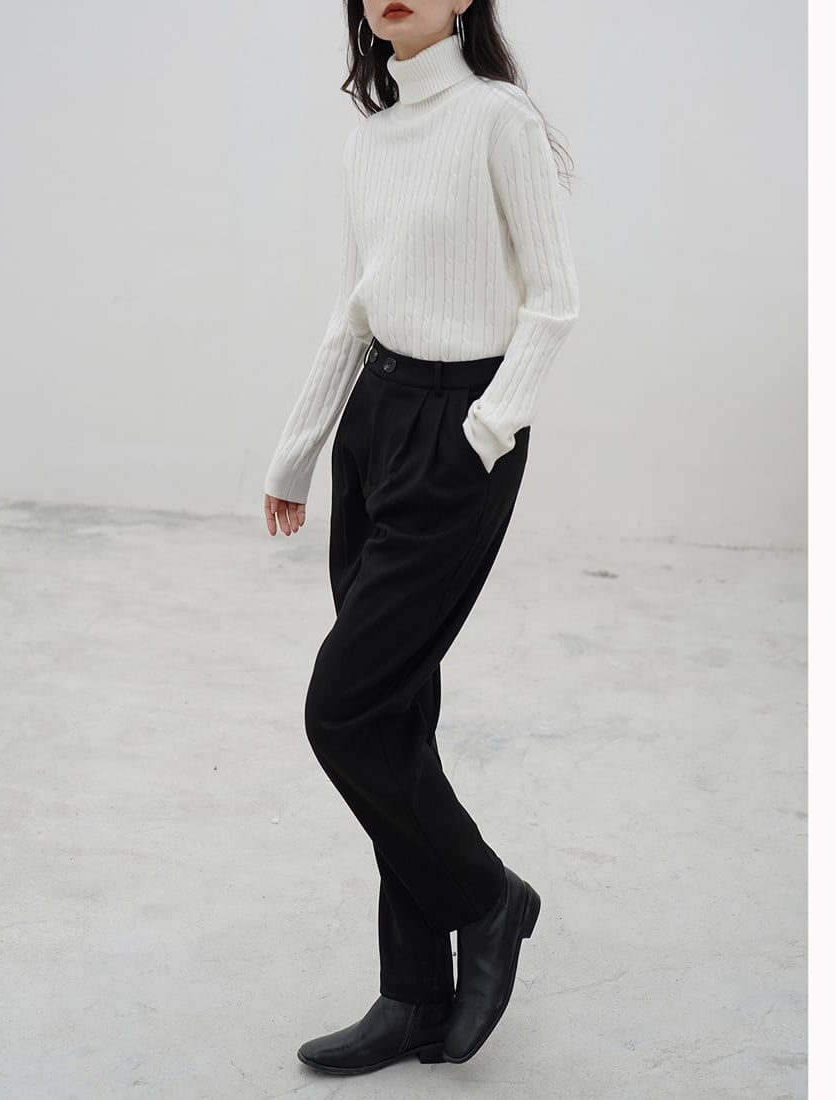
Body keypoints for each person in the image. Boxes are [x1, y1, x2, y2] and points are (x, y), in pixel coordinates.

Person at [262, 0, 579, 1075]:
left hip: (460, 430)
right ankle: (412, 994)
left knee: (340, 709)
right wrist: (298, 452)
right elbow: (354, 308)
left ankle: (489, 899)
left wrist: (484, 433)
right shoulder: (372, 137)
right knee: (392, 716)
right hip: (373, 421)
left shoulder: (499, 120)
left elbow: (554, 301)